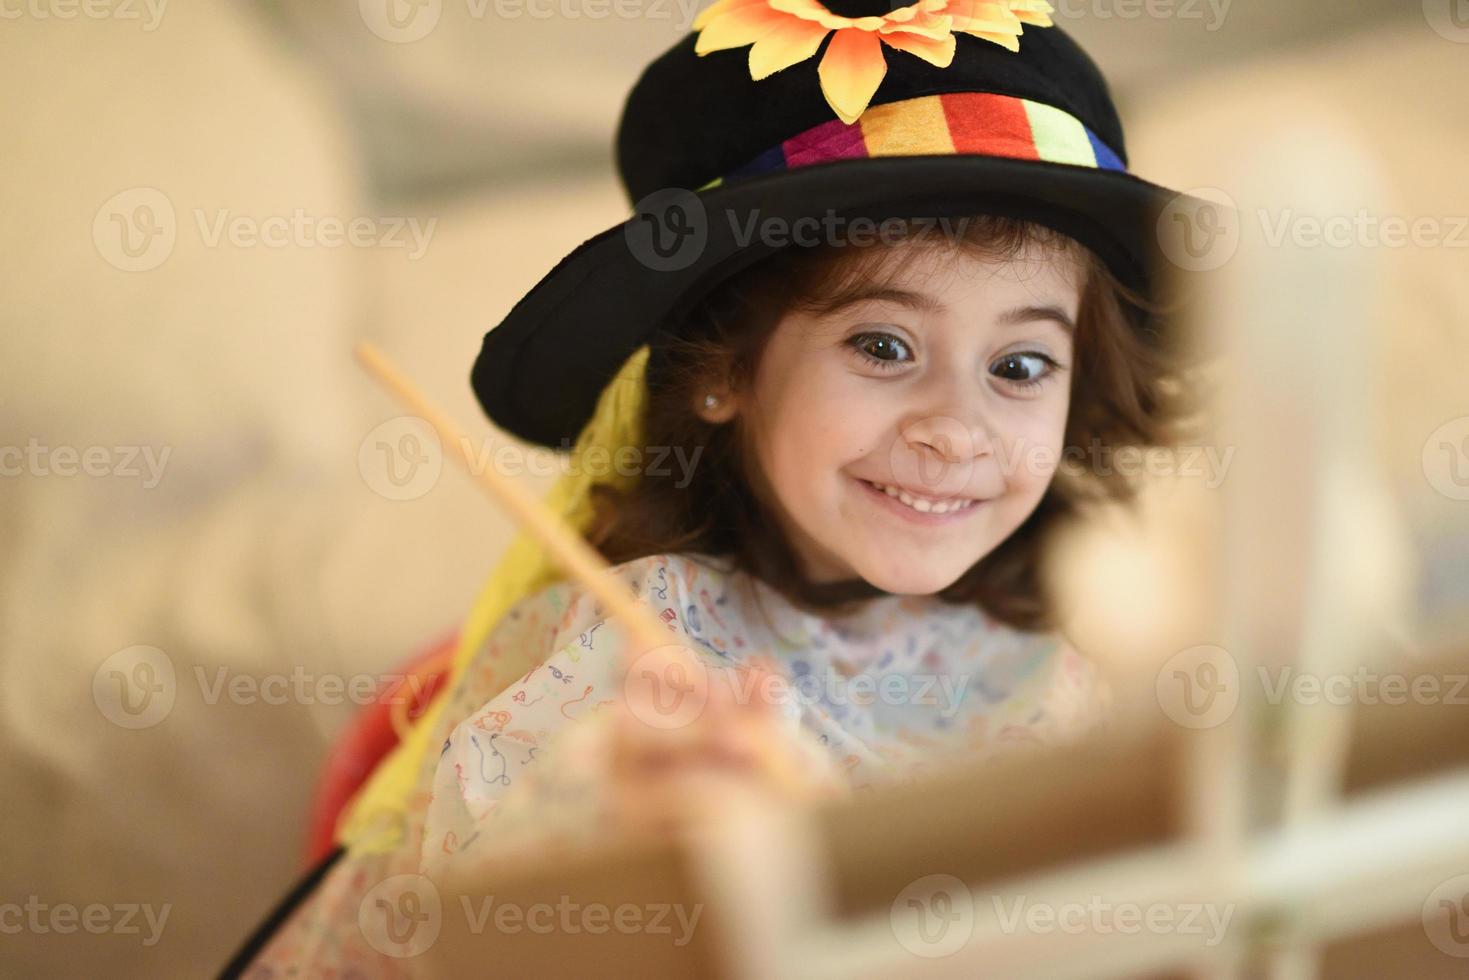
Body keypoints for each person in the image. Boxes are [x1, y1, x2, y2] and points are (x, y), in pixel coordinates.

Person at [227, 2, 1204, 973]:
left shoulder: (1073, 671)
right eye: (881, 344)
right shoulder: (623, 657)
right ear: (722, 369)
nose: (953, 430)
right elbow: (469, 907)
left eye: (1020, 365)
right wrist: (614, 812)